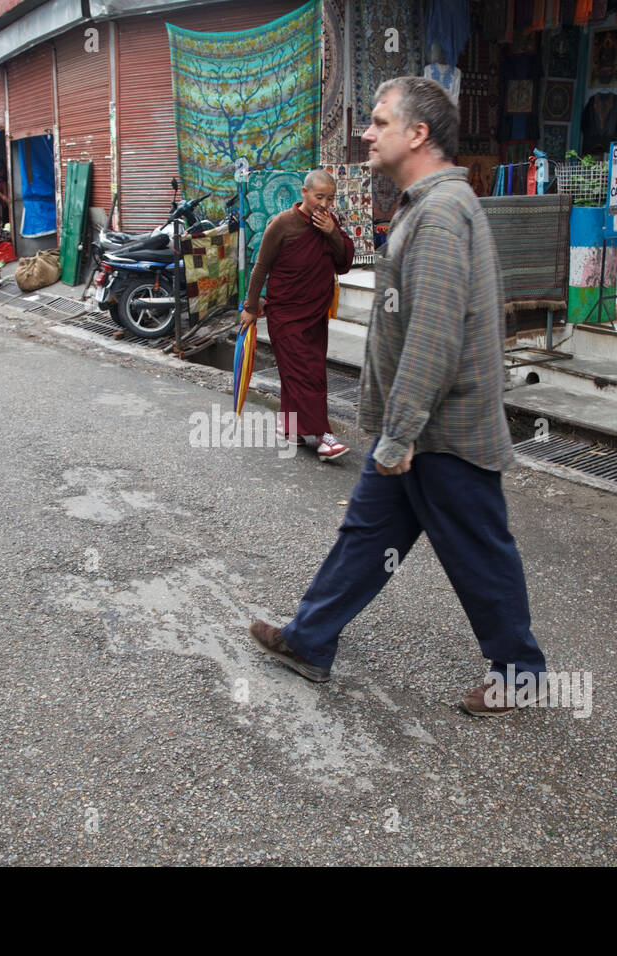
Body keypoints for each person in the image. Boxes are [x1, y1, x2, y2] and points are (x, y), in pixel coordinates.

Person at [248, 77, 549, 716]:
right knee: (365, 537)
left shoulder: (440, 213)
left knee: (478, 553)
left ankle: (521, 674)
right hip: (415, 432)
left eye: (380, 122)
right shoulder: (426, 203)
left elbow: (434, 335)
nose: (366, 132)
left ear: (418, 134)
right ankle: (309, 639)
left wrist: (400, 433)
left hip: (441, 433)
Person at [242, 169, 354, 461]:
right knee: (305, 375)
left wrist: (332, 233)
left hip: (316, 312)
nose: (325, 204)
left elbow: (344, 262)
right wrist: (250, 308)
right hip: (286, 314)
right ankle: (322, 435)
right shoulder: (282, 224)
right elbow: (260, 268)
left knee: (308, 371)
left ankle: (289, 424)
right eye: (319, 197)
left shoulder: (330, 224)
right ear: (303, 193)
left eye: (330, 198)